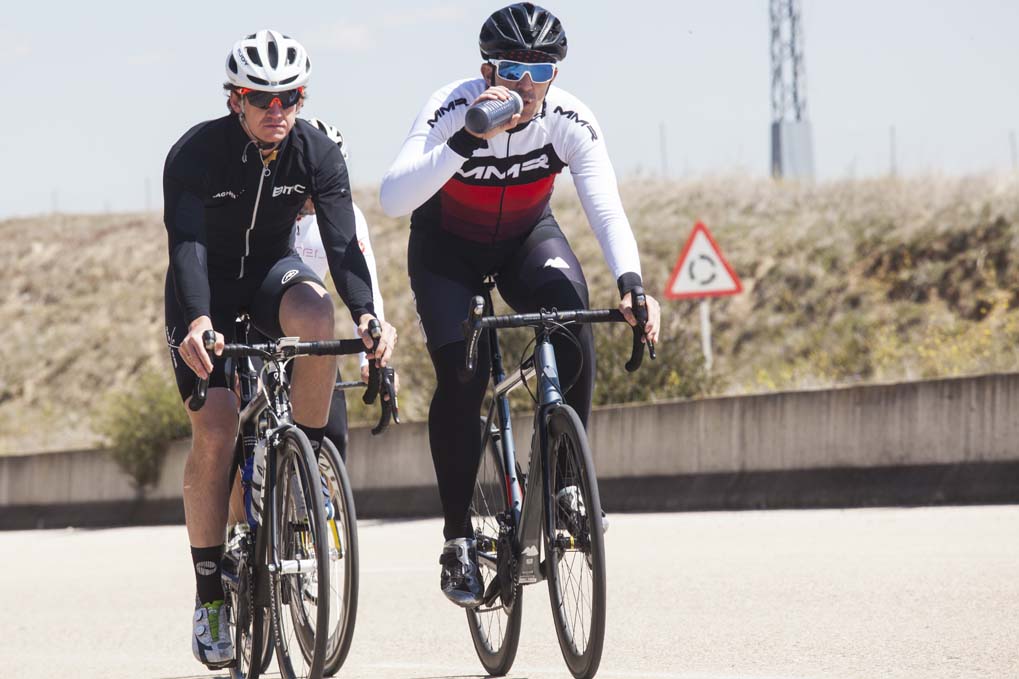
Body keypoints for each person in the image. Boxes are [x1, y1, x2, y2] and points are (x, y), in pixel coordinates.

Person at [379, 3, 661, 608]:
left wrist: (632, 282)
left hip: (525, 241)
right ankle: (457, 538)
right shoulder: (452, 105)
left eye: (542, 69)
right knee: (463, 375)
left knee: (573, 313)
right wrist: (466, 139)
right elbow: (394, 197)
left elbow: (604, 205)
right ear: (487, 70)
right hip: (446, 252)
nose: (527, 84)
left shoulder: (568, 117)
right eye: (512, 68)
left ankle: (564, 486)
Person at [163, 30, 396, 669]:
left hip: (270, 275)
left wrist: (370, 315)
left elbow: (345, 245)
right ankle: (210, 595)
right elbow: (185, 246)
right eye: (260, 97)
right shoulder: (196, 153)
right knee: (213, 432)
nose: (277, 109)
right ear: (235, 100)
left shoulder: (316, 152)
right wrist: (200, 321)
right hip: (204, 289)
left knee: (319, 316)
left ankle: (308, 461)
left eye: (289, 96)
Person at [293, 118, 388, 460]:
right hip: (258, 319)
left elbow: (366, 286)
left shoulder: (346, 215)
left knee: (332, 434)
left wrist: (371, 354)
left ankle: (324, 503)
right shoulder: (273, 209)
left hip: (306, 324)